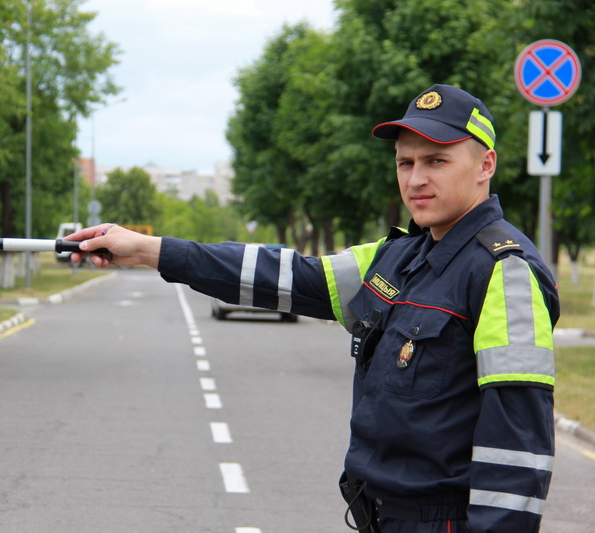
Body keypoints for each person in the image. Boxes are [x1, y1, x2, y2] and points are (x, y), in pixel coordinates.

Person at [68, 84, 559, 533]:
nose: (415, 179)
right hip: (379, 517)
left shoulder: (502, 270)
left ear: (485, 165)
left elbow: (517, 443)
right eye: (404, 163)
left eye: (436, 161)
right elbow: (283, 275)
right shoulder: (400, 256)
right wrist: (149, 249)